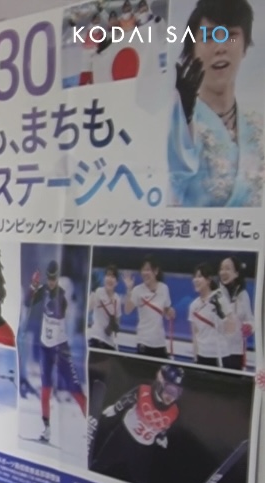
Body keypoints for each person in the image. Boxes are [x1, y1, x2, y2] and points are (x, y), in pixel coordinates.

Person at [168, 0, 263, 208]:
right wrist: (183, 117)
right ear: (192, 49)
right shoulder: (177, 121)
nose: (220, 48)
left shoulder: (258, 126)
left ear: (245, 45)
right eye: (209, 37)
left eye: (231, 35)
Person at [88, 364, 184, 483]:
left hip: (144, 448)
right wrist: (116, 408)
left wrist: (161, 436)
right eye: (170, 390)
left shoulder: (174, 411)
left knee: (141, 479)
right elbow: (128, 399)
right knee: (101, 463)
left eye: (177, 393)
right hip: (123, 435)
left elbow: (165, 425)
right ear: (160, 383)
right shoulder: (143, 391)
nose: (171, 397)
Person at [25, 260, 88, 444]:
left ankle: (89, 429)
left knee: (76, 391)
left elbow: (56, 309)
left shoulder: (61, 294)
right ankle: (46, 430)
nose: (51, 282)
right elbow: (28, 302)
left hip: (61, 349)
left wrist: (44, 293)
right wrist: (33, 286)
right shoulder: (44, 289)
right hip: (45, 348)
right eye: (49, 279)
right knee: (45, 390)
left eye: (54, 279)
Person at [123, 255, 175, 358]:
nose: (144, 273)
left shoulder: (164, 288)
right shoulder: (137, 290)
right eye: (143, 270)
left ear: (156, 271)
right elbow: (127, 310)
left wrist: (170, 312)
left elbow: (166, 311)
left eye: (148, 270)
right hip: (144, 342)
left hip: (160, 343)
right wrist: (129, 289)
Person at [187, 263, 233, 367]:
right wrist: (195, 358)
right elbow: (195, 335)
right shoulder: (193, 305)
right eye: (194, 277)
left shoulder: (219, 298)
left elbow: (231, 328)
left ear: (208, 280)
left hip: (220, 356)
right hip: (202, 356)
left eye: (199, 276)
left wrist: (221, 314)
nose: (195, 280)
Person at [218, 255, 255, 370]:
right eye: (221, 269)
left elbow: (249, 319)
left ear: (236, 274)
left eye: (228, 268)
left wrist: (249, 327)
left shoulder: (243, 295)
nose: (223, 272)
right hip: (218, 351)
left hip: (236, 351)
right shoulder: (216, 294)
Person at [87, 264, 122, 350]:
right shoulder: (98, 291)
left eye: (113, 277)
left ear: (116, 282)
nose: (110, 279)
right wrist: (93, 292)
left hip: (110, 343)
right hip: (96, 339)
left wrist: (115, 326)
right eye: (108, 275)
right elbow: (89, 308)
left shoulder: (117, 298)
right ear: (104, 278)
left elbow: (117, 322)